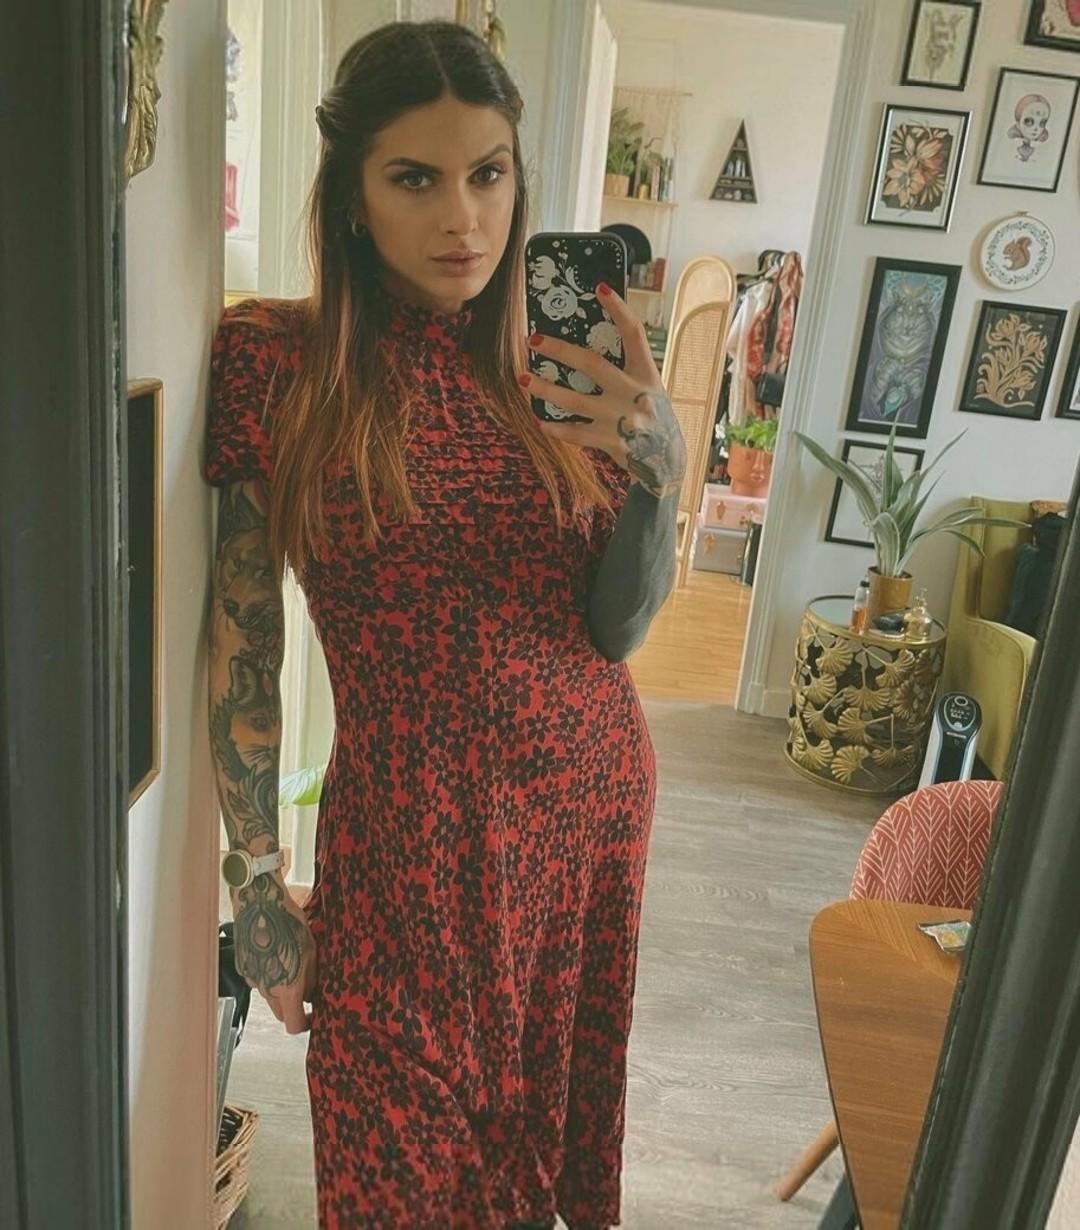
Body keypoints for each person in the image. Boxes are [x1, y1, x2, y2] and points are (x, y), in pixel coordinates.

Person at [205, 20, 686, 1230]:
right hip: (407, 853)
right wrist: (256, 880)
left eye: (488, 174)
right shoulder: (277, 362)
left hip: (580, 829)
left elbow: (616, 631)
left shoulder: (558, 375)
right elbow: (244, 634)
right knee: (394, 1179)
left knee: (526, 1184)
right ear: (352, 195)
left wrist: (660, 479)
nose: (463, 217)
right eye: (416, 178)